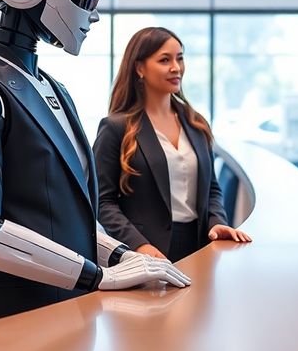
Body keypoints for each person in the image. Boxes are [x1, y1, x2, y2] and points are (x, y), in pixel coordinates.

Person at [0, 0, 190, 326]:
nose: (93, 13)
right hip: (3, 322)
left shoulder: (51, 88)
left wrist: (122, 256)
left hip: (63, 312)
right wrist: (98, 276)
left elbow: (61, 219)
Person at [94, 27, 251, 263]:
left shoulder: (195, 123)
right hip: (147, 253)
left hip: (200, 246)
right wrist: (139, 245)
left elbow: (212, 189)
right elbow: (102, 201)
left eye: (180, 58)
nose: (176, 67)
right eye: (164, 60)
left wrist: (217, 222)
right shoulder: (116, 128)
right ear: (139, 68)